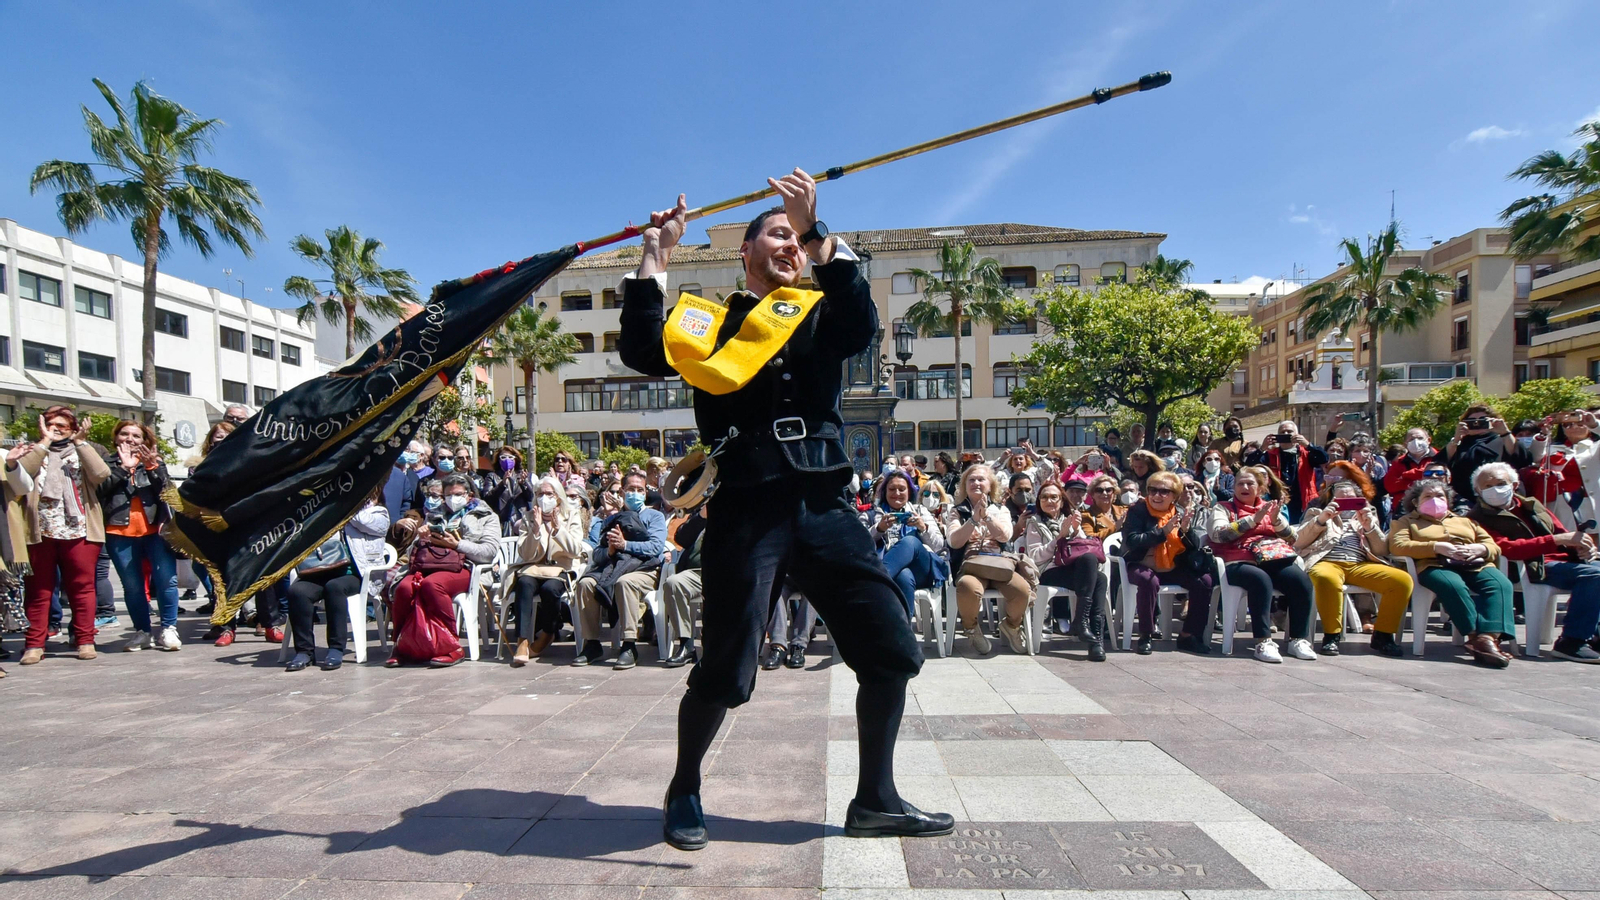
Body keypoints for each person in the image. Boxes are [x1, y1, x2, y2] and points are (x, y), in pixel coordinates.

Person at [619, 175, 948, 849]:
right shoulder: (709, 323)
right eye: (777, 234)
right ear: (745, 253)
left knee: (891, 650)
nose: (791, 246)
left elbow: (862, 324)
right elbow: (642, 350)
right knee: (728, 672)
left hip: (824, 503)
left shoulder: (820, 310)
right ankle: (684, 786)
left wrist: (819, 231)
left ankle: (876, 799)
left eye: (798, 239)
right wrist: (656, 254)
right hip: (747, 507)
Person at [1469, 462, 1600, 662]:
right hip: (1526, 567)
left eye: (1500, 483)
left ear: (1514, 485)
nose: (1494, 489)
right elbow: (1506, 548)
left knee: (1595, 568)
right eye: (1487, 486)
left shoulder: (1532, 505)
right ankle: (1571, 641)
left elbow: (1562, 534)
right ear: (1478, 491)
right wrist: (1555, 541)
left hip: (1561, 562)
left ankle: (1594, 634)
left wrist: (1582, 546)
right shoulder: (1476, 517)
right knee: (1593, 575)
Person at [14, 408, 109, 664]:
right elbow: (20, 475)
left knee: (82, 588)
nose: (57, 428)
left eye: (63, 425)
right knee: (39, 589)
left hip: (79, 528)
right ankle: (34, 644)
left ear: (73, 428)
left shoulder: (85, 449)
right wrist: (44, 442)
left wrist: (80, 441)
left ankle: (85, 640)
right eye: (51, 424)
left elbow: (101, 474)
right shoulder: (35, 449)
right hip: (41, 530)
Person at [1389, 478, 1515, 667]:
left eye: (1440, 495)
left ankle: (1487, 638)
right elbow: (1398, 546)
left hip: (1473, 563)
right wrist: (1436, 547)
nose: (1435, 499)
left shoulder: (1466, 521)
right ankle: (1474, 635)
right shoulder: (1405, 522)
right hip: (1434, 565)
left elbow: (1492, 545)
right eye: (1428, 496)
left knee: (1500, 584)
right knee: (1453, 585)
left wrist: (1479, 549)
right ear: (1416, 502)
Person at [386, 473, 500, 668]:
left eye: (457, 494)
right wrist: (420, 537)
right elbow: (413, 550)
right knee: (404, 588)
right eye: (447, 495)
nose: (452, 499)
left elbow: (488, 553)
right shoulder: (434, 514)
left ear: (469, 495)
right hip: (430, 564)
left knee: (433, 585)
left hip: (465, 567)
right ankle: (401, 645)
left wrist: (458, 545)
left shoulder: (486, 516)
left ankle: (450, 646)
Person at [1295, 468, 1411, 656]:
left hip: (1359, 564)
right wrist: (1322, 520)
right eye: (1341, 500)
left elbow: (1382, 550)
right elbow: (1299, 541)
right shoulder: (1317, 512)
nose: (1346, 504)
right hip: (1327, 561)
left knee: (1401, 581)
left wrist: (1370, 527)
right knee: (1326, 578)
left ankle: (1383, 635)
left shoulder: (1367, 515)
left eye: (1351, 500)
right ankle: (1331, 636)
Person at [1210, 466, 1315, 663]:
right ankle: (1263, 641)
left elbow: (1293, 538)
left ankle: (1298, 639)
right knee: (1260, 580)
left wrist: (1276, 522)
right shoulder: (1223, 507)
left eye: (1250, 483)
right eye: (1240, 483)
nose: (1245, 487)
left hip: (1271, 558)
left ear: (1260, 488)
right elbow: (1218, 534)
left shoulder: (1269, 508)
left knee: (1300, 580)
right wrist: (1251, 521)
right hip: (1237, 561)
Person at [100, 420, 182, 653]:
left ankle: (168, 629)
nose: (130, 439)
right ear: (116, 438)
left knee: (167, 580)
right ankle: (142, 632)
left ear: (145, 441)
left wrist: (152, 467)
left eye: (136, 436)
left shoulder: (155, 462)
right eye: (124, 434)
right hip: (119, 532)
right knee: (132, 585)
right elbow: (99, 492)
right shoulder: (106, 463)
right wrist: (122, 469)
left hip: (155, 531)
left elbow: (168, 492)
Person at [283, 489, 388, 671]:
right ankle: (304, 651)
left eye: (369, 495)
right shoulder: (328, 513)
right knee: (297, 592)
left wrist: (344, 505)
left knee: (335, 588)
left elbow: (364, 523)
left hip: (356, 574)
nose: (366, 498)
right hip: (321, 571)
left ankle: (336, 648)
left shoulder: (379, 514)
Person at [571, 471, 666, 670]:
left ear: (645, 493)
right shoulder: (612, 520)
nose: (635, 493)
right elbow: (597, 554)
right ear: (622, 491)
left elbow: (655, 548)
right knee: (586, 583)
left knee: (626, 582)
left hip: (645, 569)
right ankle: (592, 644)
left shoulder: (654, 516)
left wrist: (625, 545)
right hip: (613, 566)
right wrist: (611, 550)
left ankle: (629, 644)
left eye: (640, 490)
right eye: (631, 489)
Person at [1119, 470, 1214, 655]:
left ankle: (1188, 635)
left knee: (1205, 581)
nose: (1156, 495)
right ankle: (1146, 634)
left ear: (1174, 496)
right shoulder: (1137, 511)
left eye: (1164, 491)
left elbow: (1193, 547)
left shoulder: (1178, 512)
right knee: (1149, 581)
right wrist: (1163, 532)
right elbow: (1132, 541)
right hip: (1140, 563)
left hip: (1171, 565)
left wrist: (1186, 530)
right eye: (1153, 490)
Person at [944, 463, 1031, 655]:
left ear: (990, 485)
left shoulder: (1002, 509)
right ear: (965, 485)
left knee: (1022, 590)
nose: (976, 483)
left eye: (981, 479)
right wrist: (973, 519)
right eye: (971, 480)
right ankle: (971, 628)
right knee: (968, 587)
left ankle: (1011, 626)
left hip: (999, 564)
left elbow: (1006, 536)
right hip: (971, 565)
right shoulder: (956, 511)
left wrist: (988, 518)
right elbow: (954, 542)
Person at [506, 475, 588, 666]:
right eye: (540, 493)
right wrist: (535, 530)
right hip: (534, 567)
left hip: (561, 568)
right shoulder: (529, 517)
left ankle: (548, 632)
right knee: (524, 584)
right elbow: (525, 554)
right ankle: (523, 641)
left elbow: (575, 549)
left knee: (550, 589)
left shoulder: (571, 515)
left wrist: (558, 529)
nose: (544, 497)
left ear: (558, 496)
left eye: (549, 494)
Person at [1024, 481, 1107, 660]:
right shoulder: (1034, 523)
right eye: (1044, 497)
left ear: (1062, 501)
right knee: (1096, 578)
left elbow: (1084, 549)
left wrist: (1076, 530)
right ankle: (1088, 632)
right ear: (1039, 501)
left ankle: (1092, 637)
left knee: (1098, 576)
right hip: (1049, 571)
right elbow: (1036, 556)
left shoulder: (1070, 518)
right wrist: (1059, 537)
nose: (1049, 501)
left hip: (1074, 570)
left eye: (1054, 497)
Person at [867, 470, 948, 619]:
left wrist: (923, 528)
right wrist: (879, 528)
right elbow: (860, 544)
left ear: (909, 491)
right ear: (885, 492)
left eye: (902, 489)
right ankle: (904, 636)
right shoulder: (872, 514)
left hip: (921, 568)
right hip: (895, 570)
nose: (897, 493)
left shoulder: (919, 510)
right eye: (892, 489)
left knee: (910, 541)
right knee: (904, 575)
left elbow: (938, 546)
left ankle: (875, 584)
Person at [660, 502, 707, 668]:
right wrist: (701, 517)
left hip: (724, 572)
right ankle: (687, 645)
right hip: (695, 573)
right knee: (673, 583)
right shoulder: (699, 514)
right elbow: (681, 539)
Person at [1444, 404, 1517, 509]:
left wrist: (1505, 432)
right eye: (1472, 420)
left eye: (1483, 419)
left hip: (1498, 495)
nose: (1477, 422)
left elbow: (1517, 455)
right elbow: (1443, 460)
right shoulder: (1461, 443)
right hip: (1464, 500)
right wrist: (1456, 439)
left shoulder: (1502, 439)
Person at [483, 446, 533, 535]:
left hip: (520, 521)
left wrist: (523, 483)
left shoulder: (522, 475)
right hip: (501, 522)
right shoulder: (492, 476)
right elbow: (487, 498)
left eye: (510, 457)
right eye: (503, 457)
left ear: (515, 459)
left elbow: (530, 497)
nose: (507, 460)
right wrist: (502, 484)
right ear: (498, 460)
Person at [1383, 427, 1442, 501]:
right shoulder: (1399, 462)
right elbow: (1390, 486)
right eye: (1411, 439)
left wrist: (1407, 475)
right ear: (1405, 444)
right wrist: (1422, 478)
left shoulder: (1439, 457)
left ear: (1429, 440)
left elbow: (1442, 480)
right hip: (1406, 507)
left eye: (1420, 438)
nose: (1416, 442)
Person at [384, 440, 427, 522]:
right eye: (402, 449)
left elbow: (409, 503)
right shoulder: (384, 473)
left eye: (407, 450)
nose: (404, 452)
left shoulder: (414, 477)